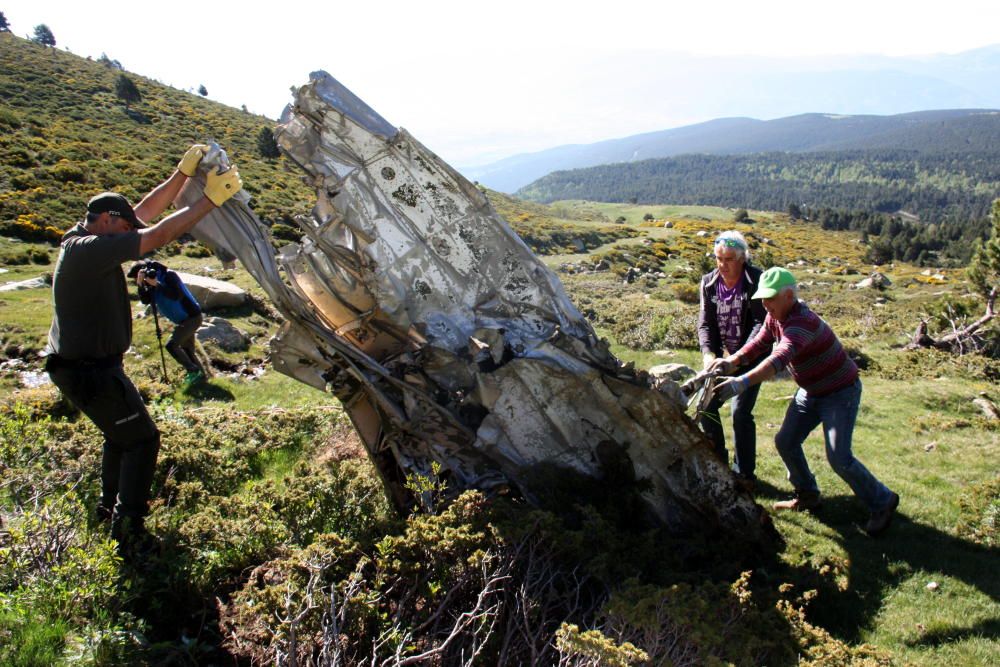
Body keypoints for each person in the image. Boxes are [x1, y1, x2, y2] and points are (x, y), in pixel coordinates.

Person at [45, 145, 242, 558]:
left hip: (84, 366)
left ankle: (108, 511)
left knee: (120, 437)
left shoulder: (83, 237)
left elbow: (142, 216)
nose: (129, 235)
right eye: (122, 226)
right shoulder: (90, 250)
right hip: (89, 370)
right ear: (104, 222)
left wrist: (181, 174)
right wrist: (209, 200)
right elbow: (156, 234)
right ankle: (128, 530)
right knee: (144, 440)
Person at [708, 267, 899, 536]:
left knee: (839, 457)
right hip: (810, 391)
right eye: (762, 298)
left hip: (839, 392)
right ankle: (807, 494)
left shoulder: (802, 322)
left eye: (770, 298)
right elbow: (761, 343)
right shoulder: (776, 316)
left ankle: (883, 501)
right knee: (785, 441)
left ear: (788, 296)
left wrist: (741, 382)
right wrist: (732, 361)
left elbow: (777, 359)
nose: (764, 304)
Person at [696, 231, 767, 489]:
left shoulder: (756, 280)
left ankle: (744, 473)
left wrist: (740, 358)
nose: (722, 265)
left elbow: (761, 323)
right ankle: (719, 461)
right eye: (718, 258)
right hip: (723, 358)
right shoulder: (709, 283)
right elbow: (706, 323)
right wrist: (708, 355)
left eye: (728, 259)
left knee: (740, 412)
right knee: (707, 406)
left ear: (741, 259)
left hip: (753, 356)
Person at [128, 260, 205, 386]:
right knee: (187, 349)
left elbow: (176, 295)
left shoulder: (168, 275)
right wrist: (140, 285)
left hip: (192, 317)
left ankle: (193, 371)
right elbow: (145, 300)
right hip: (183, 319)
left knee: (172, 345)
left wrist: (157, 284)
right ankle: (202, 378)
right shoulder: (149, 284)